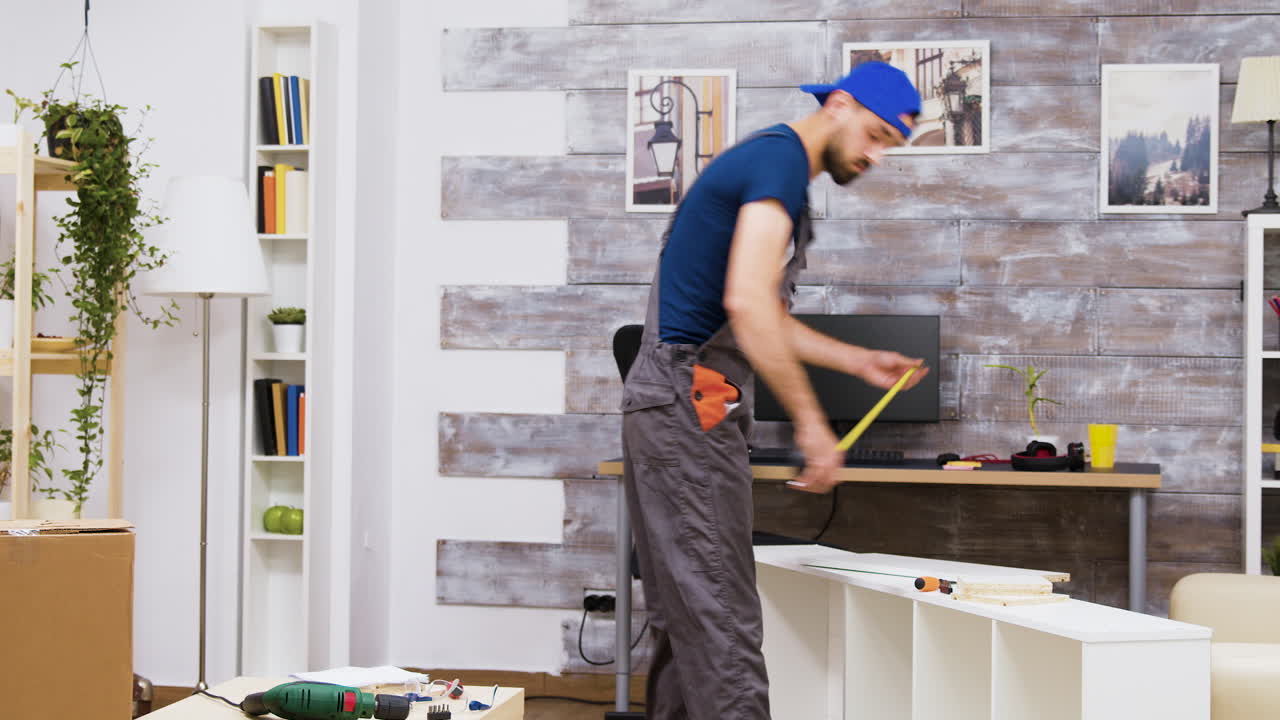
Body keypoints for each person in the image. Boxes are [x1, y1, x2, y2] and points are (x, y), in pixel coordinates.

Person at [619, 61, 931, 720]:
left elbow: (759, 313)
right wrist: (812, 425)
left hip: (685, 399)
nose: (876, 156)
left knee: (691, 616)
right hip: (688, 399)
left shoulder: (776, 167)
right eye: (875, 135)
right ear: (839, 105)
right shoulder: (778, 165)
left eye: (889, 146)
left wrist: (857, 361)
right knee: (721, 616)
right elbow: (749, 303)